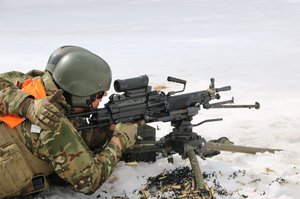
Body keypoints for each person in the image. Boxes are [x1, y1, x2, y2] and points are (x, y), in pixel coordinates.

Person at [0, 46, 140, 198]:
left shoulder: (33, 85)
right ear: (79, 95)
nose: (104, 96)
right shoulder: (54, 124)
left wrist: (26, 105)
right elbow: (90, 181)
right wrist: (119, 141)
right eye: (98, 95)